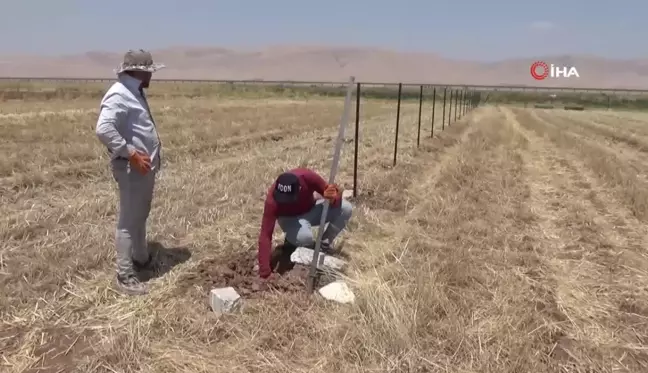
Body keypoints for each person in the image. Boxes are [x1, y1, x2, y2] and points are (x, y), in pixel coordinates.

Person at [95, 49, 165, 295]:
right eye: (149, 72)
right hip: (130, 167)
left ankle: (141, 258)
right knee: (128, 221)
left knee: (140, 215)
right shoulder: (118, 95)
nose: (151, 77)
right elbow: (103, 128)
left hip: (142, 168)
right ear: (139, 71)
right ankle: (125, 276)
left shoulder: (132, 91)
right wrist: (131, 153)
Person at [257, 168, 353, 283]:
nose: (285, 202)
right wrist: (265, 272)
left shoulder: (307, 177)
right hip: (289, 219)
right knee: (305, 237)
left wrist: (333, 198)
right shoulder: (272, 200)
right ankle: (295, 243)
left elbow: (332, 194)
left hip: (310, 210)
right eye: (283, 200)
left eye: (288, 199)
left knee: (345, 209)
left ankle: (323, 246)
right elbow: (265, 235)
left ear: (299, 188)